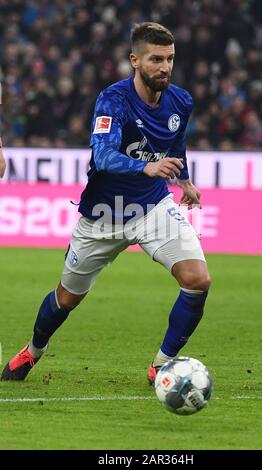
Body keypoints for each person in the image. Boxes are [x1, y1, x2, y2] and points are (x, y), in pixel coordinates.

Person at [1, 22, 211, 383]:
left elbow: (176, 145)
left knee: (198, 280)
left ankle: (161, 366)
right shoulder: (113, 100)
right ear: (135, 60)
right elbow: (102, 156)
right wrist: (146, 166)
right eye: (156, 59)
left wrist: (184, 179)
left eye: (170, 59)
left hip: (153, 208)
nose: (164, 67)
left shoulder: (181, 101)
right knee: (66, 298)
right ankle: (32, 351)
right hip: (103, 215)